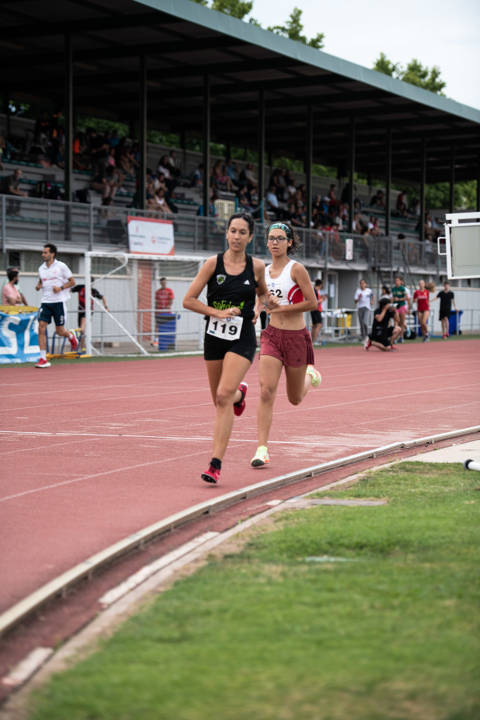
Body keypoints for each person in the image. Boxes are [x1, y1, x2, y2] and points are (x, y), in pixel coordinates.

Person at [183, 212, 277, 484]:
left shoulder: (256, 266)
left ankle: (215, 464)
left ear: (250, 237)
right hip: (214, 335)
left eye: (242, 232)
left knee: (223, 395)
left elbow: (262, 294)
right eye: (232, 231)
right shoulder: (212, 264)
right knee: (221, 398)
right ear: (226, 233)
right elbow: (188, 300)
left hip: (242, 336)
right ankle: (240, 395)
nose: (236, 236)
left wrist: (262, 307)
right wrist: (216, 312)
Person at [250, 221, 322, 469]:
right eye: (271, 238)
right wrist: (258, 308)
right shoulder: (263, 271)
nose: (275, 242)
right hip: (271, 336)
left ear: (290, 242)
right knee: (266, 391)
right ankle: (262, 449)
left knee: (294, 398)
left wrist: (282, 308)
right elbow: (263, 299)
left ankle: (309, 377)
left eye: (280, 238)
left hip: (296, 338)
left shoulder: (296, 269)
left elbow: (312, 302)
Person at [35, 243, 78, 368]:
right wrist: (39, 285)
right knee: (41, 327)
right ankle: (43, 358)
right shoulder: (41, 268)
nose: (43, 254)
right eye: (42, 252)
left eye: (45, 252)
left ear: (52, 254)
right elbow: (41, 280)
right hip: (45, 302)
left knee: (59, 331)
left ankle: (70, 336)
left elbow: (72, 282)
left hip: (59, 302)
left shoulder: (61, 266)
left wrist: (60, 288)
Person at [391, 276, 411, 342]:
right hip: (395, 306)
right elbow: (391, 298)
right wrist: (391, 303)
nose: (396, 282)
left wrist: (399, 299)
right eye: (395, 280)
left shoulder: (402, 289)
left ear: (400, 281)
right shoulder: (393, 289)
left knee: (402, 322)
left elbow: (407, 298)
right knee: (396, 321)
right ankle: (394, 337)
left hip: (402, 306)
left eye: (397, 280)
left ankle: (401, 337)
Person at [310, 278, 326, 346]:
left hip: (314, 309)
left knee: (314, 326)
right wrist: (322, 299)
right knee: (318, 325)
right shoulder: (315, 291)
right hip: (316, 310)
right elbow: (315, 302)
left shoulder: (315, 291)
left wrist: (321, 298)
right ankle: (314, 341)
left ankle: (312, 341)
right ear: (320, 284)